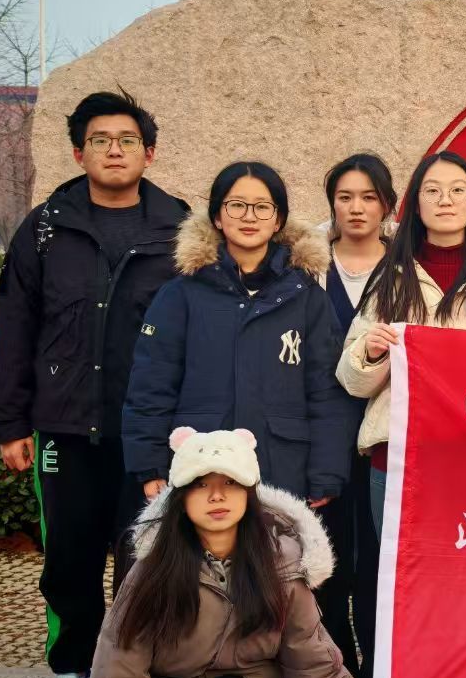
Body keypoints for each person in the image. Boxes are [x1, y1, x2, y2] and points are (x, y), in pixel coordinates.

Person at [0, 89, 188, 678]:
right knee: (68, 561)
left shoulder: (178, 227)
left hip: (149, 437)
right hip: (66, 431)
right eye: (99, 138)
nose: (113, 149)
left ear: (149, 151)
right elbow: (15, 327)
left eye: (127, 139)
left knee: (148, 561)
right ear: (78, 150)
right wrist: (11, 421)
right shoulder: (45, 228)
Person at [88, 427, 378, 678]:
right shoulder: (151, 573)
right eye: (200, 484)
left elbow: (314, 663)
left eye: (230, 482)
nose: (217, 496)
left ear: (250, 491)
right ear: (180, 497)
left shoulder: (283, 568)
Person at [337, 151, 466, 531]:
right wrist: (369, 352)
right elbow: (352, 382)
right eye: (432, 191)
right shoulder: (390, 277)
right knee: (403, 583)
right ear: (415, 205)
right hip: (400, 456)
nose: (444, 200)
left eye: (456, 190)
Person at [123, 161, 355, 504]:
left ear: (278, 220)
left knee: (277, 557)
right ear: (218, 216)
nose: (249, 217)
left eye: (263, 207)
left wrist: (326, 473)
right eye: (237, 205)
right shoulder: (182, 293)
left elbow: (326, 392)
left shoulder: (306, 297)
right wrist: (150, 464)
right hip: (201, 466)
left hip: (282, 468)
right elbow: (151, 383)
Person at [317, 153, 397, 678]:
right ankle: (336, 668)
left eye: (369, 197)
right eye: (346, 197)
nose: (357, 208)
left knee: (376, 564)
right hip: (319, 437)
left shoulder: (405, 269)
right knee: (324, 564)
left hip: (381, 439)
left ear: (387, 206)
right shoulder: (303, 269)